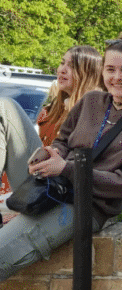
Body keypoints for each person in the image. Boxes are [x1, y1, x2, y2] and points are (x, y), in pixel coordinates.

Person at [0, 35, 122, 278]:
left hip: (85, 205)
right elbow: (63, 140)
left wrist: (65, 168)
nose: (117, 77)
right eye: (110, 69)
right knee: (5, 107)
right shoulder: (91, 101)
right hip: (51, 183)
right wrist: (51, 154)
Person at [1, 45, 104, 222]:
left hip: (61, 191)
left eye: (71, 66)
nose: (62, 70)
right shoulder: (52, 111)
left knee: (5, 107)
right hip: (40, 182)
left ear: (88, 73)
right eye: (62, 63)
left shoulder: (96, 111)